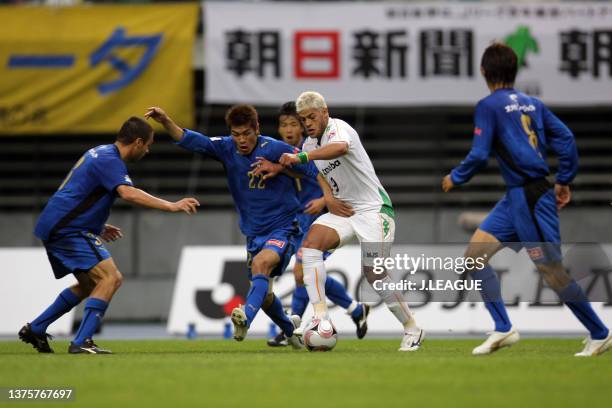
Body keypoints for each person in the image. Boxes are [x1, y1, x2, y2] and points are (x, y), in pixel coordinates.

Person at [442, 43, 611, 357]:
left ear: (483, 71)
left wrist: (456, 176)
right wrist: (565, 180)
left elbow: (479, 155)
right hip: (517, 198)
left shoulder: (489, 105)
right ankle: (503, 328)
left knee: (552, 272)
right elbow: (567, 139)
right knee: (474, 257)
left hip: (531, 197)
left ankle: (600, 333)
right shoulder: (532, 104)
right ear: (513, 72)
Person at [20, 117, 200, 354]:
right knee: (111, 278)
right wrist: (172, 206)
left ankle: (37, 328)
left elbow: (79, 192)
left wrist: (98, 223)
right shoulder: (110, 160)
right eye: (148, 144)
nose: (148, 150)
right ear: (137, 142)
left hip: (58, 225)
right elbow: (128, 193)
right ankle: (82, 341)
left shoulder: (99, 152)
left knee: (89, 285)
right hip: (68, 230)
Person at [145, 105, 315, 348]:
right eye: (236, 134)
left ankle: (245, 316)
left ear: (257, 129)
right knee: (265, 295)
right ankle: (291, 331)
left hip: (284, 226)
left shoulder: (275, 148)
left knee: (261, 264)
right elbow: (190, 139)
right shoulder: (226, 148)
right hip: (253, 232)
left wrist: (280, 168)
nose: (242, 140)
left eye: (247, 133)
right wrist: (165, 121)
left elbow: (312, 168)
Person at [279, 92, 424, 352]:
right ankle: (320, 316)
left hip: (374, 210)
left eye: (312, 117)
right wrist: (328, 198)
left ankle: (412, 327)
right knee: (311, 246)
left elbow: (340, 149)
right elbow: (320, 172)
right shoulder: (309, 146)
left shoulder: (339, 128)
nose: (308, 124)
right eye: (303, 119)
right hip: (344, 210)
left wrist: (301, 158)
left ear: (325, 112)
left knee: (374, 273)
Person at [266, 102, 369, 347]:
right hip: (300, 221)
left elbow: (328, 176)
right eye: (284, 125)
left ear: (303, 125)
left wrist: (323, 199)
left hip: (324, 219)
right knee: (310, 274)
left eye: (294, 123)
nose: (289, 129)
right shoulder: (285, 153)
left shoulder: (310, 150)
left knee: (304, 272)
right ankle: (355, 310)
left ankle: (293, 327)